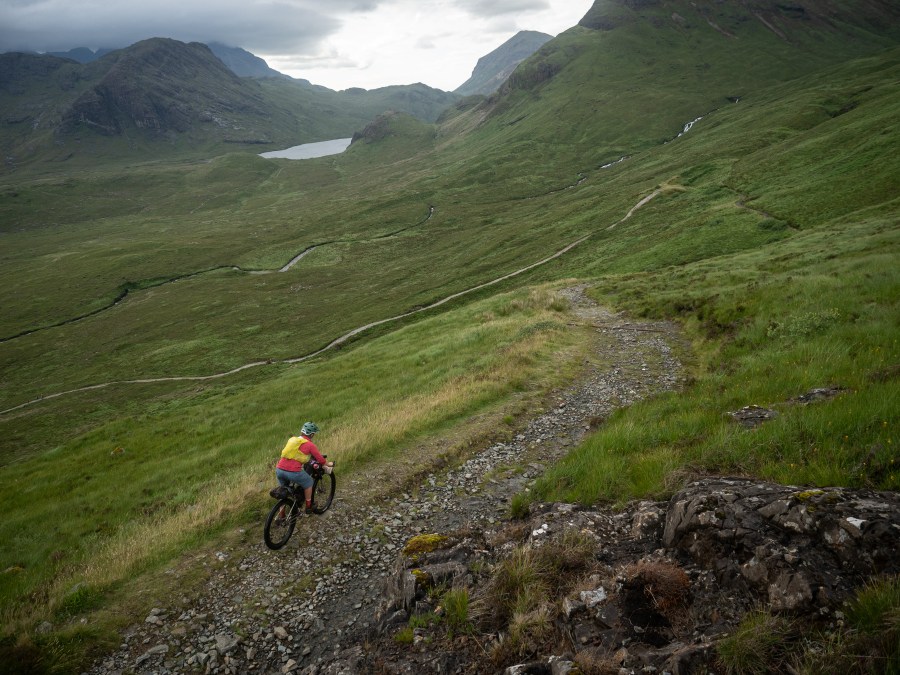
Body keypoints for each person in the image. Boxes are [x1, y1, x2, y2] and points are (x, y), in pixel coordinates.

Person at [275, 422, 333, 512]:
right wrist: (329, 464)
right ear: (312, 434)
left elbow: (294, 455)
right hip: (292, 472)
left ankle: (281, 515)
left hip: (279, 469)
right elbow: (321, 460)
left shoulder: (292, 440)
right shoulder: (310, 445)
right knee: (309, 482)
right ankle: (308, 507)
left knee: (283, 492)